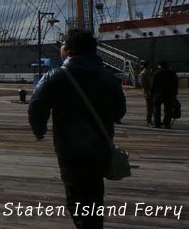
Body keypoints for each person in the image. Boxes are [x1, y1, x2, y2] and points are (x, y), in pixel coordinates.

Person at [28, 29, 126, 229]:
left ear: (69, 49)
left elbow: (36, 107)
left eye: (63, 44)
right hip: (100, 145)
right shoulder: (108, 77)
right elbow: (120, 111)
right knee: (95, 191)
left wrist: (39, 130)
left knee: (75, 195)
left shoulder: (54, 76)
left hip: (69, 147)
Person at [151, 60, 178, 129]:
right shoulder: (172, 73)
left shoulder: (157, 73)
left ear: (159, 65)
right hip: (169, 94)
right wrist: (175, 93)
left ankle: (157, 123)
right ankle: (167, 124)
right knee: (168, 110)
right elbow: (175, 84)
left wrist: (152, 94)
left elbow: (153, 85)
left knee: (156, 109)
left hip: (158, 94)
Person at [138, 61, 153, 126]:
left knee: (151, 107)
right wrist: (146, 91)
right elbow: (143, 84)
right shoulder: (144, 73)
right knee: (149, 107)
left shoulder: (148, 72)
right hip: (148, 92)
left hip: (149, 91)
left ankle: (149, 119)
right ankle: (148, 120)